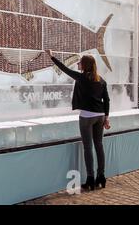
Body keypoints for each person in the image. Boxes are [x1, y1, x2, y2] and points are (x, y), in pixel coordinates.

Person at [46, 50, 111, 191]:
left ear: (85, 65)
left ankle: (90, 180)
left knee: (88, 148)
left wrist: (52, 56)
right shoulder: (101, 80)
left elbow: (64, 68)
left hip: (87, 117)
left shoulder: (81, 78)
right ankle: (101, 177)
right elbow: (106, 99)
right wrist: (106, 117)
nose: (78, 63)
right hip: (100, 116)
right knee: (99, 146)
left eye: (80, 62)